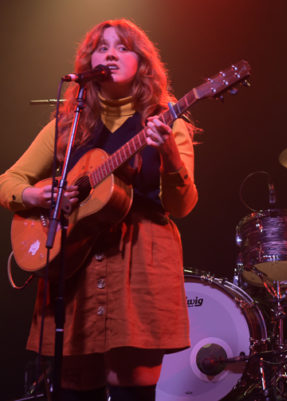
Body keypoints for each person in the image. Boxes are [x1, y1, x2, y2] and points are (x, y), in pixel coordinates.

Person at [0, 19, 198, 400]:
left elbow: (183, 205)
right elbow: (9, 180)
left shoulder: (167, 118)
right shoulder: (68, 123)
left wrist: (170, 154)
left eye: (123, 47)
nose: (110, 54)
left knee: (131, 389)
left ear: (143, 62)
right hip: (75, 265)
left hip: (140, 261)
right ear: (88, 63)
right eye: (101, 48)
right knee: (74, 391)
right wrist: (35, 197)